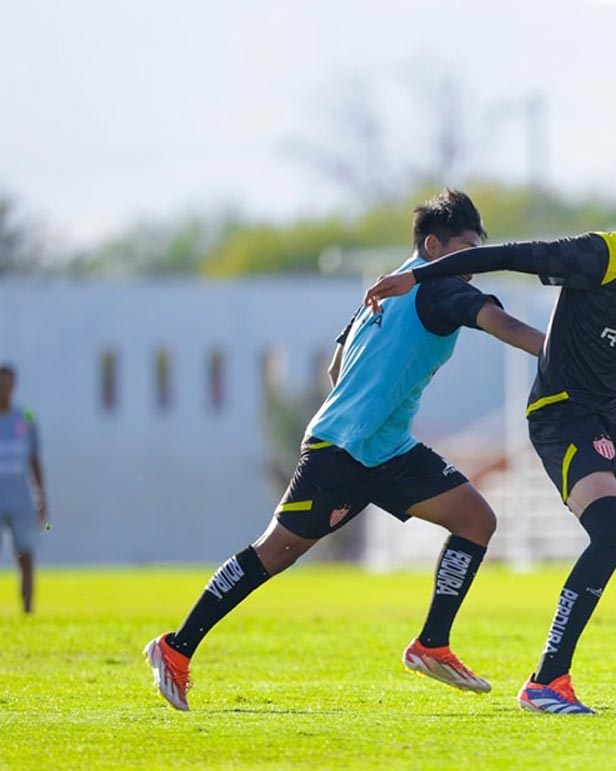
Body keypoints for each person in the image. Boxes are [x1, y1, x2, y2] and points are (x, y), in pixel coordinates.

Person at [363, 174, 616, 715]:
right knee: (613, 532)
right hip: (561, 416)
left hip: (614, 416)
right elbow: (512, 255)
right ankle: (546, 682)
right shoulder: (607, 254)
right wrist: (418, 277)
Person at [144, 190, 545, 711]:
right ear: (433, 245)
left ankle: (432, 644)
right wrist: (567, 355)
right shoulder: (440, 287)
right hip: (344, 449)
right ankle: (174, 648)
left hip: (386, 448)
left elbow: (337, 364)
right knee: (275, 552)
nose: (470, 264)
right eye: (465, 249)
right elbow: (501, 325)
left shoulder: (384, 286)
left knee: (475, 520)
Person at [0, 363, 48, 614]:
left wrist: (42, 497)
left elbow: (34, 460)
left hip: (20, 499)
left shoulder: (25, 418)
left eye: (7, 383)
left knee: (25, 555)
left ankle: (27, 610)